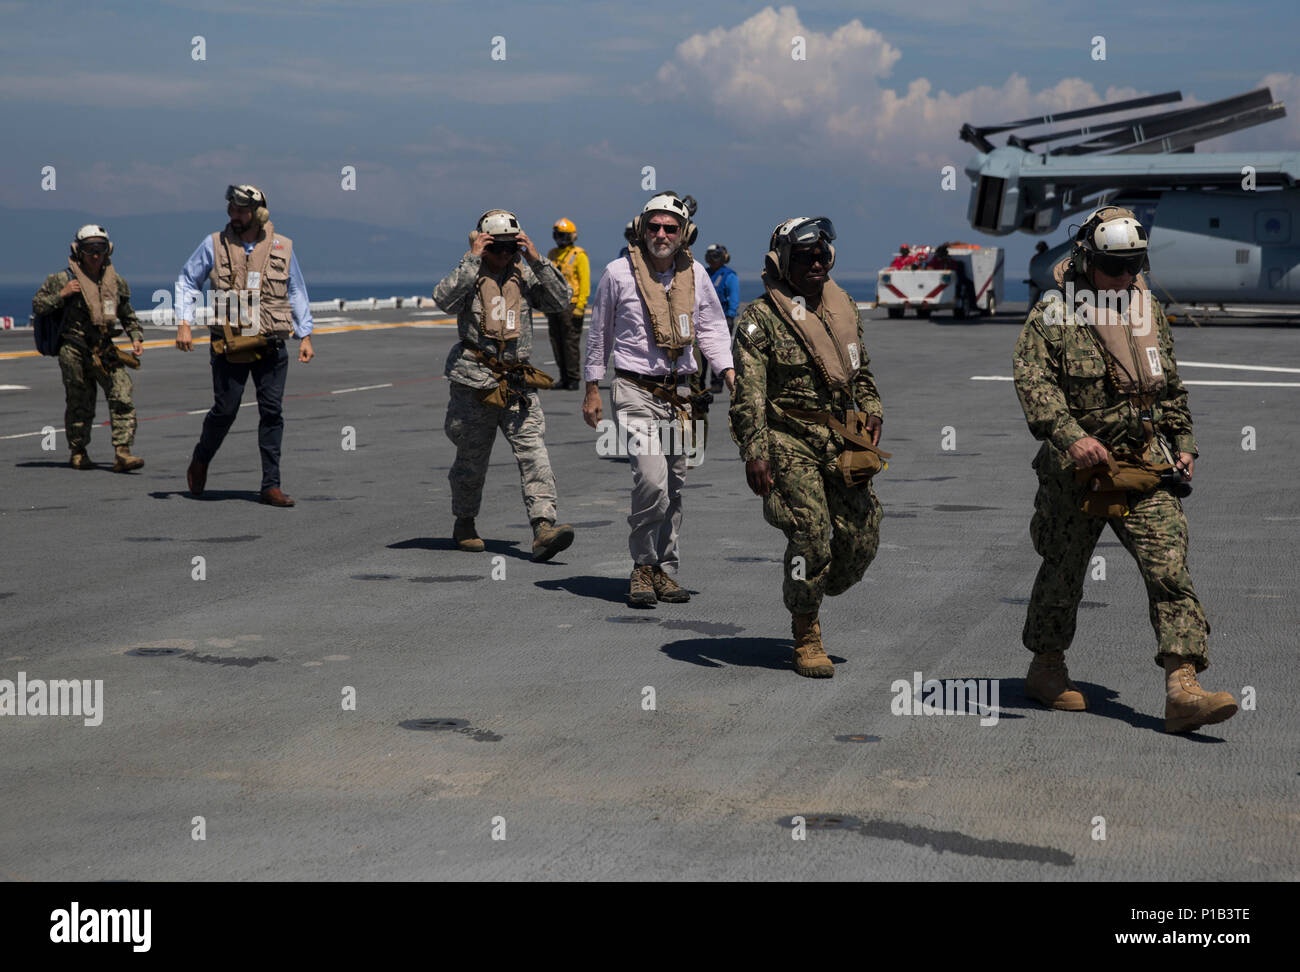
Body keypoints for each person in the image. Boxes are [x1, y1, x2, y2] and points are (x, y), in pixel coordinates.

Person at [1013, 206, 1238, 733]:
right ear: (1086, 259)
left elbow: (1170, 386)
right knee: (1064, 572)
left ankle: (1182, 688)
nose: (1125, 277)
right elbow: (1034, 385)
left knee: (1169, 569)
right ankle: (1046, 669)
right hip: (1078, 471)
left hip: (1144, 464)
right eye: (1115, 267)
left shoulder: (1148, 309)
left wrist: (1184, 441)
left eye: (1134, 265)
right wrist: (1073, 438)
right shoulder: (1053, 313)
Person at [729, 217, 886, 678]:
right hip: (787, 437)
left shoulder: (843, 308)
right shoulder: (761, 320)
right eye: (804, 257)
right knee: (812, 532)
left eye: (821, 255)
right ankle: (806, 630)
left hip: (841, 436)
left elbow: (862, 372)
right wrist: (754, 453)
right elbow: (749, 394)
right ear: (783, 262)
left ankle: (814, 584)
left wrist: (873, 409)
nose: (816, 263)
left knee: (863, 534)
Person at [583, 193, 734, 607]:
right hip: (634, 389)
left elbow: (712, 331)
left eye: (670, 228)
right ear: (641, 228)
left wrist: (729, 373)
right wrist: (592, 386)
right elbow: (599, 334)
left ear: (684, 234)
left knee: (676, 485)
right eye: (654, 226)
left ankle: (666, 571)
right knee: (651, 479)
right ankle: (641, 566)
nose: (661, 234)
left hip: (681, 393)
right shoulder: (617, 274)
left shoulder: (697, 274)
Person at [433, 209, 577, 561]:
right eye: (496, 247)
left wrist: (535, 258)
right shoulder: (469, 273)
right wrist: (471, 259)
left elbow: (562, 300)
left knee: (534, 454)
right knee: (471, 459)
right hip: (475, 382)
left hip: (516, 381)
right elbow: (443, 300)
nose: (503, 255)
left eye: (509, 247)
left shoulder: (524, 273)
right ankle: (464, 522)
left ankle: (544, 527)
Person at [174, 185, 315, 506]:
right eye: (231, 209)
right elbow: (186, 280)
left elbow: (295, 290)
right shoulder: (214, 244)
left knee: (272, 411)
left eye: (240, 210)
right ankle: (201, 458)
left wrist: (304, 334)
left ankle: (271, 485)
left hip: (269, 342)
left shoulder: (283, 247)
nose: (233, 215)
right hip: (230, 342)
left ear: (259, 213)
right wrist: (184, 322)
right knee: (225, 409)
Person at [32, 224, 145, 471]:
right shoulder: (62, 279)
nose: (95, 255)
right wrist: (61, 294)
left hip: (104, 349)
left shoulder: (115, 282)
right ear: (78, 251)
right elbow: (39, 306)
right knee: (80, 401)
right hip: (74, 349)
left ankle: (123, 452)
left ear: (108, 251)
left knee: (122, 394)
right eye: (89, 249)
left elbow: (127, 314)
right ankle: (78, 450)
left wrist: (136, 337)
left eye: (100, 249)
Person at [545, 218, 590, 390]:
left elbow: (584, 282)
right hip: (554, 305)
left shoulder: (579, 255)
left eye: (563, 235)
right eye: (558, 235)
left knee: (570, 343)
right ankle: (563, 377)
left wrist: (580, 306)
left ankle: (573, 378)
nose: (560, 239)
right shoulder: (552, 254)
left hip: (571, 305)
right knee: (556, 342)